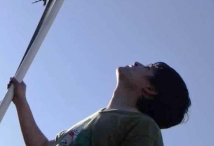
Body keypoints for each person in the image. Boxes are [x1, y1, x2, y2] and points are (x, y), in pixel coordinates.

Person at [10, 61, 191, 146]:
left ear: (150, 89)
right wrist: (20, 100)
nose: (137, 62)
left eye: (149, 68)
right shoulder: (91, 121)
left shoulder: (144, 127)